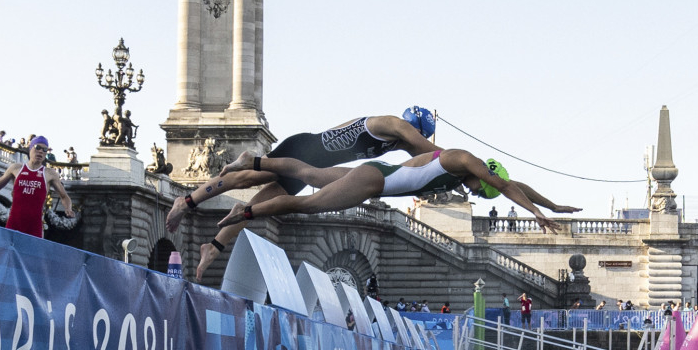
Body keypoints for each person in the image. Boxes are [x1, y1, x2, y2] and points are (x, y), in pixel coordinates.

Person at [167, 109, 442, 279]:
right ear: (416, 127)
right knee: (246, 177)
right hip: (303, 150)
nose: (414, 139)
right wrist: (462, 166)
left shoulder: (395, 143)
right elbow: (429, 152)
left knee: (256, 208)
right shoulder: (393, 124)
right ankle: (187, 201)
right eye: (420, 134)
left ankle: (213, 247)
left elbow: (420, 160)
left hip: (310, 166)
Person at [215, 147, 569, 235]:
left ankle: (252, 161)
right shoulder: (461, 158)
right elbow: (505, 186)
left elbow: (514, 185)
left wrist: (550, 205)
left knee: (311, 172)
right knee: (307, 205)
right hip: (374, 182)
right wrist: (536, 214)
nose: (476, 194)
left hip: (377, 175)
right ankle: (243, 213)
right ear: (484, 173)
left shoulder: (459, 171)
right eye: (482, 190)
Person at [0, 135, 74, 238]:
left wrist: (68, 208)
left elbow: (64, 196)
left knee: (31, 254)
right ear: (30, 148)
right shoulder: (16, 168)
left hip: (34, 227)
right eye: (38, 147)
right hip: (14, 224)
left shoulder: (49, 173)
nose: (41, 151)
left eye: (44, 149)